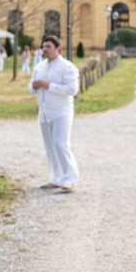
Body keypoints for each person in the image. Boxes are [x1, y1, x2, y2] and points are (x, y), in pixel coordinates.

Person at [28, 35, 80, 193]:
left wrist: (48, 85)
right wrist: (35, 86)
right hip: (44, 112)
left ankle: (70, 179)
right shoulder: (39, 67)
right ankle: (55, 179)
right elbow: (30, 88)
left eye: (48, 47)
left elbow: (72, 89)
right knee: (50, 147)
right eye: (44, 47)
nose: (45, 50)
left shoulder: (68, 67)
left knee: (60, 144)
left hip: (61, 111)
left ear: (58, 49)